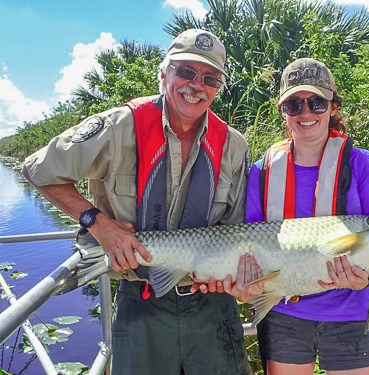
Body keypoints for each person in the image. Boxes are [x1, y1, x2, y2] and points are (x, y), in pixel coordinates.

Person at [23, 29, 262, 375]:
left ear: (218, 89)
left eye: (210, 78)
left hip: (213, 307)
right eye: (186, 72)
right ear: (164, 73)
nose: (196, 85)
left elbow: (234, 229)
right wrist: (98, 224)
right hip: (142, 301)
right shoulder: (119, 126)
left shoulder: (234, 145)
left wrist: (225, 274)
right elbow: (37, 169)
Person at [245, 58, 369, 375]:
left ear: (333, 107)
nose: (306, 113)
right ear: (283, 112)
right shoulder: (261, 171)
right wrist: (247, 284)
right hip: (284, 312)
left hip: (348, 310)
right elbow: (250, 246)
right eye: (294, 104)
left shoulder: (363, 164)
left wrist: (362, 277)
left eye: (316, 102)